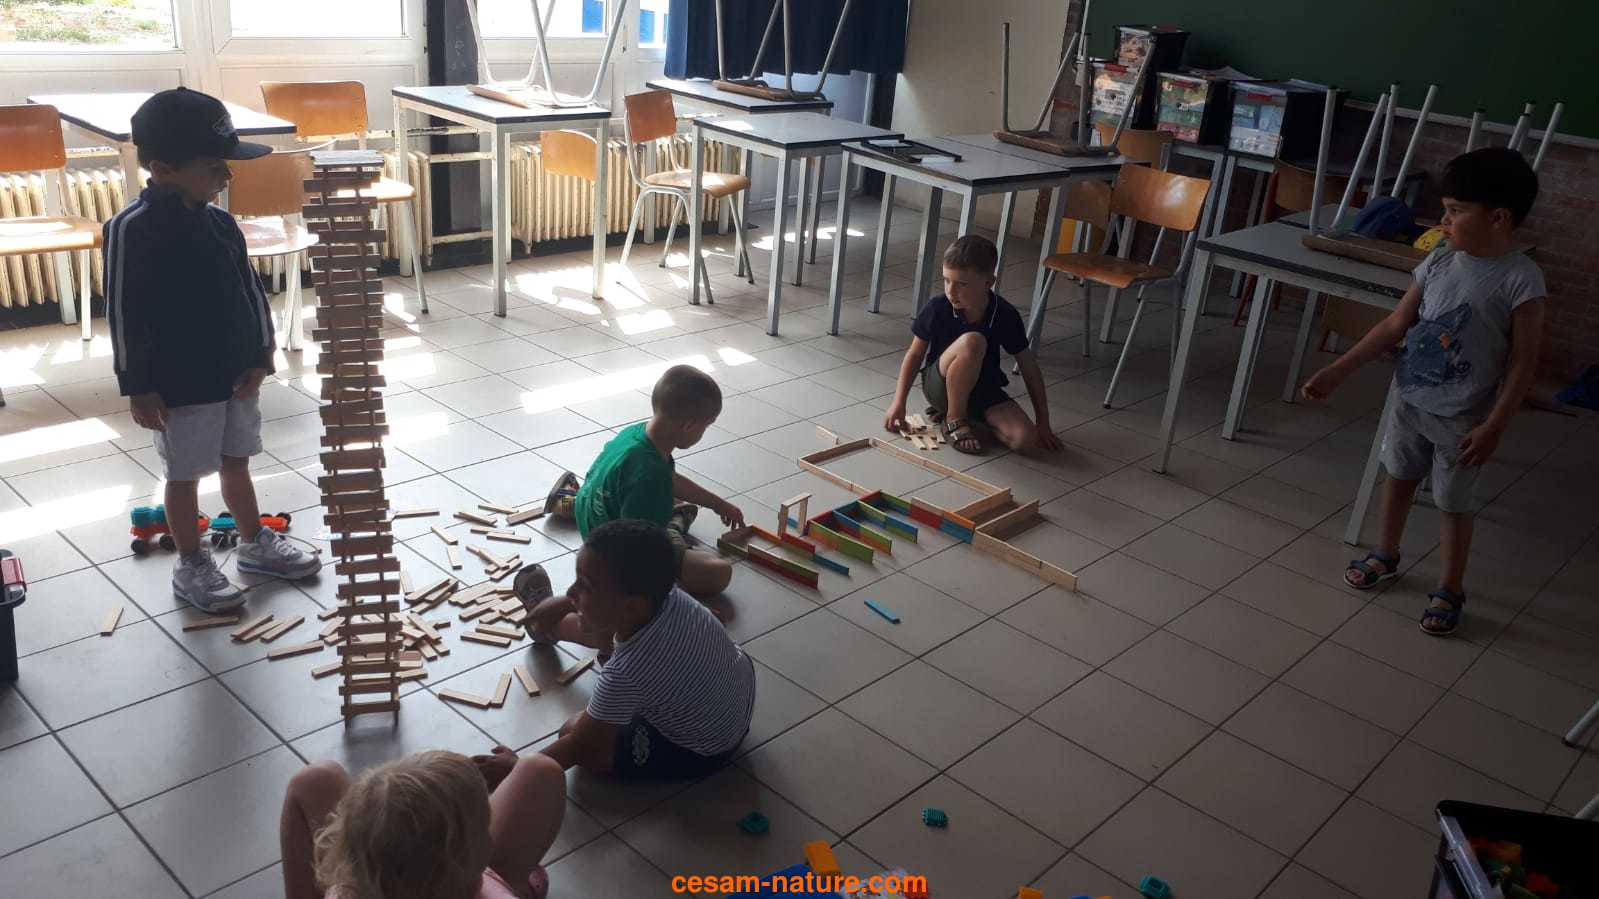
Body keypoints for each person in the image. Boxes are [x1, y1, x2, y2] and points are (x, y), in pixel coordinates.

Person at [1301, 147, 1546, 636]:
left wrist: (1495, 425)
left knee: (1452, 501)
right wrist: (1338, 371)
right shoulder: (1438, 260)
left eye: (1455, 211)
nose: (1442, 221)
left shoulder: (1521, 279)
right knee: (1398, 476)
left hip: (1464, 418)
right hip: (1409, 400)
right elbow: (1396, 324)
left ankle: (1450, 587)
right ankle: (1386, 553)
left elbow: (1524, 361)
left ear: (1498, 218)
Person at [108, 87, 319, 612]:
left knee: (236, 461)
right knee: (184, 476)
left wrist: (261, 357)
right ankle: (191, 564)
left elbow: (251, 293)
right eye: (213, 166)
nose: (227, 175)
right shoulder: (131, 230)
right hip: (180, 384)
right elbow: (123, 312)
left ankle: (254, 544)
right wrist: (138, 386)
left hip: (235, 375)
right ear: (163, 169)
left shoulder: (221, 222)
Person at [530, 520, 755, 778]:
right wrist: (564, 603)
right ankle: (550, 627)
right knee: (602, 622)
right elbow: (610, 608)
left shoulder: (623, 673)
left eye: (585, 586)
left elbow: (579, 745)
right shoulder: (668, 595)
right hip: (737, 698)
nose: (571, 592)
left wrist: (514, 768)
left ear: (633, 606)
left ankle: (549, 627)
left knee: (572, 732)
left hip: (707, 748)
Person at [543, 364, 744, 598]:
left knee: (662, 494)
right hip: (611, 555)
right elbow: (639, 555)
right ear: (689, 425)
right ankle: (674, 525)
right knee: (718, 572)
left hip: (589, 514)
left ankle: (567, 501)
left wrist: (719, 504)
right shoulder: (650, 478)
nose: (703, 433)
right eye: (706, 426)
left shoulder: (638, 434)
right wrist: (681, 604)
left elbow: (669, 479)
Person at [279, 750, 565, 899]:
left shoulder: (349, 888)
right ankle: (522, 884)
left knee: (316, 778)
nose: (488, 835)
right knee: (540, 771)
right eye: (482, 828)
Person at [883, 235, 1063, 455]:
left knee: (1024, 439)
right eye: (947, 280)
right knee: (973, 341)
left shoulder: (1005, 313)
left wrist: (1043, 421)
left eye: (961, 284)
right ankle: (955, 417)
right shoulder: (937, 307)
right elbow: (914, 354)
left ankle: (969, 417)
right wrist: (899, 402)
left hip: (984, 390)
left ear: (988, 283)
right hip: (939, 386)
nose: (951, 291)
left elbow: (1028, 366)